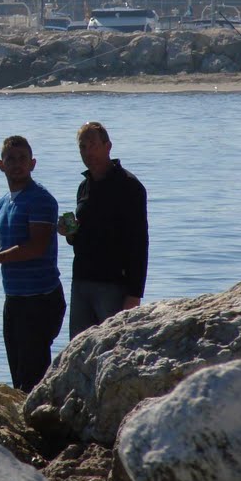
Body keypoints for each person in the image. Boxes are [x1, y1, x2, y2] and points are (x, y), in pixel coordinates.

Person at [0, 135, 65, 393]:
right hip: (14, 299)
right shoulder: (3, 202)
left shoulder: (41, 200)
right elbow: (16, 246)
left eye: (23, 159)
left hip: (41, 300)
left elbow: (36, 247)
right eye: (10, 159)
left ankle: (41, 428)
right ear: (1, 165)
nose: (17, 164)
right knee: (18, 380)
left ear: (33, 163)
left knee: (33, 380)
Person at [61, 121, 148, 339]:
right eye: (83, 146)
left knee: (114, 349)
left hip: (114, 286)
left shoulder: (128, 186)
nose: (88, 151)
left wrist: (134, 294)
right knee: (79, 351)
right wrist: (68, 232)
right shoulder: (84, 186)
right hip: (81, 281)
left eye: (93, 145)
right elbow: (79, 237)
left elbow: (139, 243)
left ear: (108, 146)